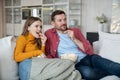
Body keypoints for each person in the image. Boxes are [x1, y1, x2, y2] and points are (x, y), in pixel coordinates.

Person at [45, 10, 120, 80]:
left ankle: (112, 71)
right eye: (60, 20)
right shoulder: (48, 34)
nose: (63, 22)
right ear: (53, 23)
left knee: (113, 66)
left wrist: (74, 39)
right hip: (75, 64)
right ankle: (110, 73)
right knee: (89, 74)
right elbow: (48, 53)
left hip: (88, 58)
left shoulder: (75, 31)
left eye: (65, 19)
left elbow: (90, 50)